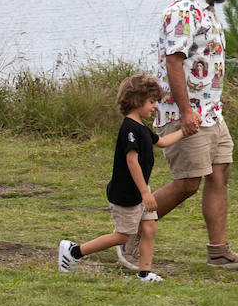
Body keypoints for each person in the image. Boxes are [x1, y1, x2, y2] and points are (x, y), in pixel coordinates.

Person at [119, 0, 238, 270]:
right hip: (186, 114)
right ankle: (128, 239)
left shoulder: (206, 11)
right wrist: (185, 112)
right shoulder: (182, 11)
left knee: (220, 174)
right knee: (187, 183)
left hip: (212, 114)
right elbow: (174, 62)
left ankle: (219, 251)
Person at [58, 75, 186, 280]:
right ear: (137, 101)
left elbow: (161, 141)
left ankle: (144, 273)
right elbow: (131, 161)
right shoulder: (129, 129)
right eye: (151, 102)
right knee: (123, 236)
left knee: (149, 228)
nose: (155, 107)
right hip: (127, 194)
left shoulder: (142, 128)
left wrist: (184, 132)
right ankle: (74, 251)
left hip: (140, 190)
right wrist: (146, 193)